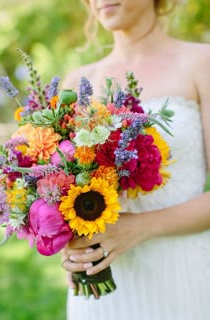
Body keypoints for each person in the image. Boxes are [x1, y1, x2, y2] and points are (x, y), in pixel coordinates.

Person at [61, 0, 210, 319]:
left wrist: (138, 228)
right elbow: (60, 191)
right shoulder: (76, 84)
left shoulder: (202, 63)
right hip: (100, 291)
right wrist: (66, 244)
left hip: (181, 275)